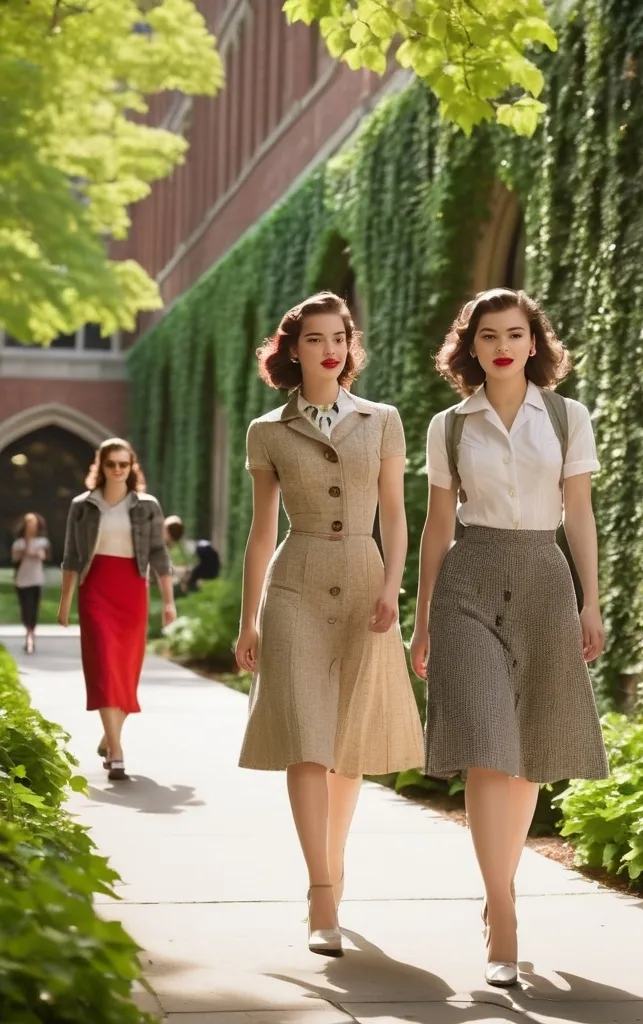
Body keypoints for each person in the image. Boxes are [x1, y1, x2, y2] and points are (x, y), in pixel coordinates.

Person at [410, 287, 609, 988]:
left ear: (534, 343)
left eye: (515, 333)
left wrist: (592, 601)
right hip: (469, 580)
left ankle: (502, 891)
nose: (502, 344)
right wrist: (420, 618)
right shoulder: (449, 426)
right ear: (471, 348)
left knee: (523, 755)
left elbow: (578, 514)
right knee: (487, 746)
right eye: (488, 334)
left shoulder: (567, 416)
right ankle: (504, 915)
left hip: (545, 579)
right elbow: (438, 527)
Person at [234, 291, 423, 958]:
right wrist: (247, 619)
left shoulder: (383, 420)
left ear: (350, 344)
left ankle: (332, 868)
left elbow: (398, 515)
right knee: (307, 742)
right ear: (293, 349)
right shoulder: (268, 431)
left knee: (349, 745)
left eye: (337, 336)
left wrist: (394, 585)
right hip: (295, 586)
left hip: (365, 583)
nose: (329, 348)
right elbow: (261, 534)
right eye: (313, 339)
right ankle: (321, 895)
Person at [58, 438, 177, 782]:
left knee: (126, 670)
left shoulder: (147, 506)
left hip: (132, 589)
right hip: (95, 588)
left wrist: (168, 601)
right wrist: (65, 602)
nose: (117, 470)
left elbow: (159, 554)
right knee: (104, 665)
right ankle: (117, 752)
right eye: (111, 464)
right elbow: (71, 555)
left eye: (124, 464)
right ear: (101, 466)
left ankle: (109, 737)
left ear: (132, 467)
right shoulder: (83, 506)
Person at [10, 512, 50, 654]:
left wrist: (34, 552)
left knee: (33, 609)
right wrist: (26, 549)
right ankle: (28, 633)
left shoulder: (42, 542)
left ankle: (31, 637)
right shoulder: (19, 543)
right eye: (28, 523)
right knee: (25, 608)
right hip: (22, 580)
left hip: (36, 579)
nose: (31, 526)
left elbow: (43, 556)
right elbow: (15, 558)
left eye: (33, 523)